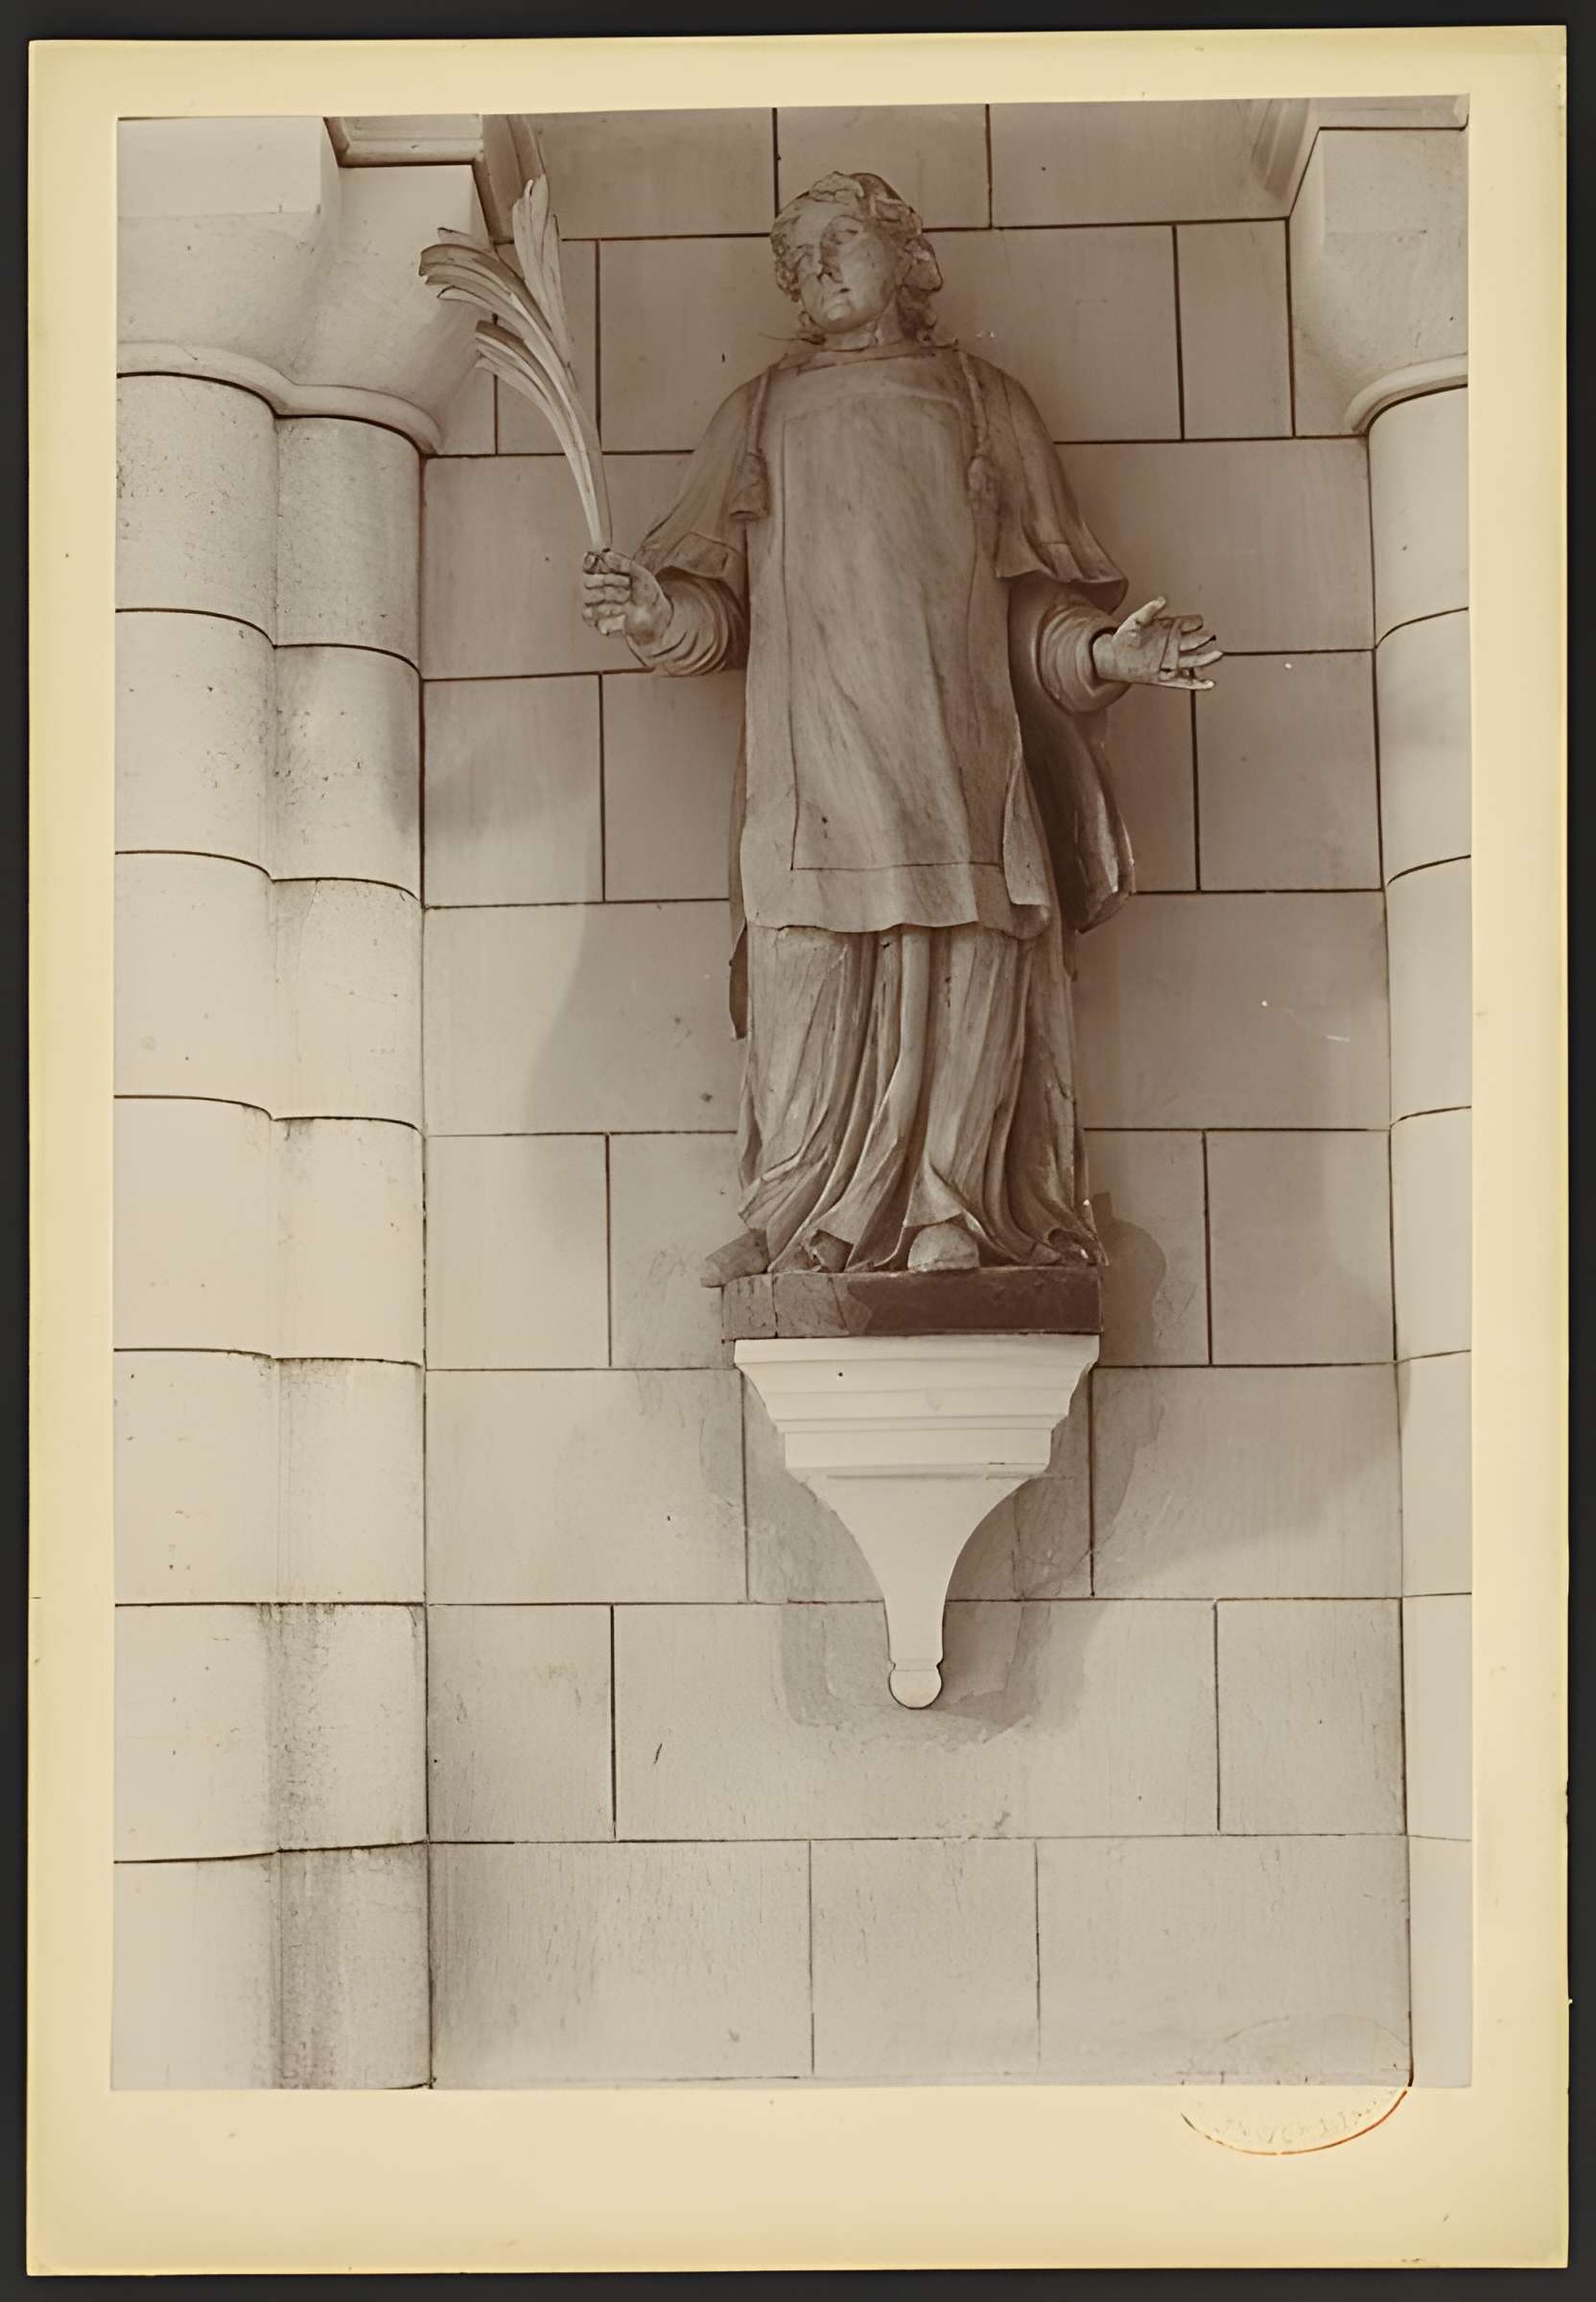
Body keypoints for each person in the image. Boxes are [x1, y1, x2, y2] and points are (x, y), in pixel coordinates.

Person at [580, 171, 1220, 1283]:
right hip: (809, 775)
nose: (818, 266)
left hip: (953, 763)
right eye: (798, 256)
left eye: (842, 239)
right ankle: (798, 1209)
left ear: (906, 258)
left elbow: (1032, 610)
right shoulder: (759, 414)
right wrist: (652, 611)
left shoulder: (982, 404)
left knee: (968, 949)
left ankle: (949, 1207)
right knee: (805, 975)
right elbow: (716, 617)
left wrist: (1105, 653)